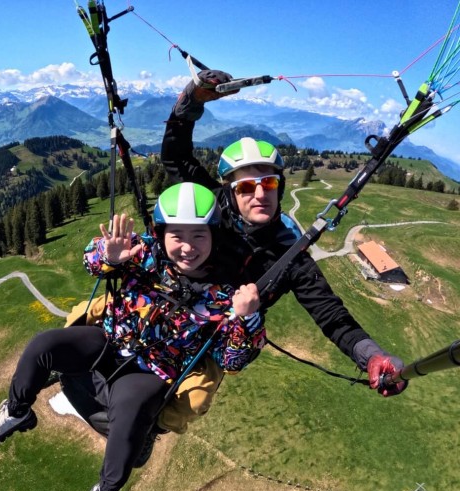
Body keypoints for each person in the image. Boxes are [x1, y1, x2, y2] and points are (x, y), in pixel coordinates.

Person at [0, 182, 266, 491]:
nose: (188, 247)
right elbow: (91, 262)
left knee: (130, 409)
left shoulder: (226, 294)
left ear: (214, 235)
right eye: (177, 235)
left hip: (155, 368)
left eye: (199, 235)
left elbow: (232, 360)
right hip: (110, 340)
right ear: (161, 233)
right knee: (43, 345)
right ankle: (18, 411)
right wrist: (108, 258)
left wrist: (245, 320)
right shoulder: (143, 253)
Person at [161, 69, 408, 399]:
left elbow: (332, 316)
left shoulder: (289, 254)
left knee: (183, 402)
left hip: (220, 339)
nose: (260, 194)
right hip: (171, 304)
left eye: (270, 183)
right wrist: (189, 102)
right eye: (247, 186)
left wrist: (372, 356)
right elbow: (175, 158)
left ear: (281, 187)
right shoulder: (214, 204)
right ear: (231, 192)